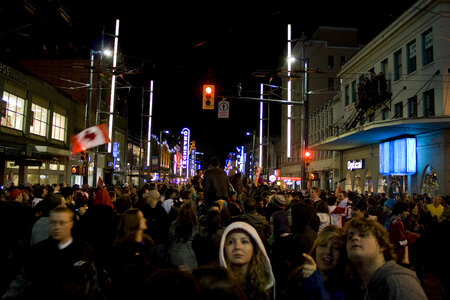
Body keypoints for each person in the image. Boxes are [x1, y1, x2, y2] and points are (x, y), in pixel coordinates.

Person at [2, 207, 103, 299]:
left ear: (71, 224)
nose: (57, 227)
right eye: (53, 223)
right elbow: (19, 284)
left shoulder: (83, 249)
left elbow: (93, 281)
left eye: (62, 223)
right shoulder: (38, 252)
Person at [343, 217, 427, 300]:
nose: (354, 238)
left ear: (381, 245)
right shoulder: (364, 284)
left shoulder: (399, 284)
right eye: (350, 236)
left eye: (363, 235)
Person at [219, 221, 275, 300]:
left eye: (244, 241)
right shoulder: (217, 286)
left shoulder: (267, 284)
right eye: (231, 242)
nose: (238, 247)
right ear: (223, 248)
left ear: (254, 247)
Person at [167, 202, 201, 271]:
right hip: (188, 257)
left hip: (173, 256)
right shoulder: (195, 226)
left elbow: (169, 239)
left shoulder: (174, 224)